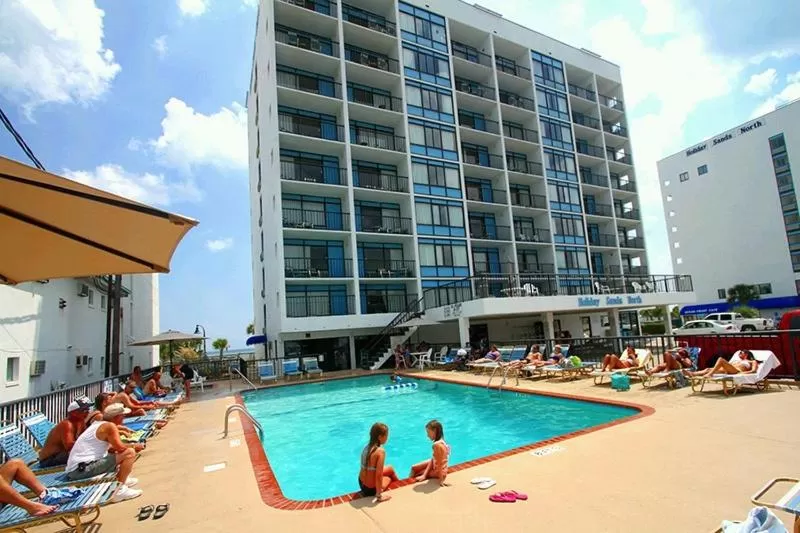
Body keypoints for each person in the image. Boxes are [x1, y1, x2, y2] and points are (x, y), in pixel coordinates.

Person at [65, 403, 144, 502]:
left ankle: (120, 479)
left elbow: (111, 448)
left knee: (119, 454)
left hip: (77, 469)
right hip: (81, 470)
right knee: (129, 453)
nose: (124, 418)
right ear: (116, 417)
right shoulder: (109, 426)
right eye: (123, 416)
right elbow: (120, 448)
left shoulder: (98, 424)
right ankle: (119, 490)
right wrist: (134, 446)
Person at [37, 398, 92, 468]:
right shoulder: (67, 425)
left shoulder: (80, 422)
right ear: (74, 413)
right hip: (49, 460)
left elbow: (85, 437)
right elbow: (69, 446)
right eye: (84, 410)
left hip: (61, 454)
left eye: (88, 409)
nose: (88, 412)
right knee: (84, 453)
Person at [358, 423, 398, 502]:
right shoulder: (380, 451)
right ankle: (399, 486)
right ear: (380, 437)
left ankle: (399, 483)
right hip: (370, 489)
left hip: (361, 483)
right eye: (386, 435)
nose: (387, 438)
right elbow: (378, 475)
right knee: (389, 478)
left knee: (390, 468)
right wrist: (379, 495)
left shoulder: (367, 447)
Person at [410, 420, 450, 486]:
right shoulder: (441, 441)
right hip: (439, 467)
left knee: (417, 473)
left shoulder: (437, 445)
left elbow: (440, 464)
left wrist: (441, 480)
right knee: (414, 467)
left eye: (428, 432)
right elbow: (434, 459)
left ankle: (409, 484)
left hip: (438, 472)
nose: (427, 435)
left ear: (435, 431)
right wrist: (424, 475)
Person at [687, 350, 758, 378]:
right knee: (708, 369)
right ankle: (692, 374)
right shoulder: (737, 360)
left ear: (746, 354)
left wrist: (742, 373)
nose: (739, 353)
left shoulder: (752, 361)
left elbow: (754, 371)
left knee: (721, 359)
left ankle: (710, 374)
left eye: (741, 352)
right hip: (728, 370)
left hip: (736, 371)